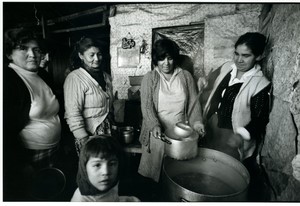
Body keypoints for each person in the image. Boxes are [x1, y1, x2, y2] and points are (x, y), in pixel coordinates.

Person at [198, 32, 272, 200]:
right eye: (236, 54)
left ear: (259, 56)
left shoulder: (260, 84)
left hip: (234, 138)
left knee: (225, 180)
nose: (239, 60)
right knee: (206, 169)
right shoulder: (227, 68)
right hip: (211, 128)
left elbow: (260, 120)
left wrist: (241, 136)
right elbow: (210, 80)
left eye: (246, 56)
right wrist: (203, 79)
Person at [3, 27, 61, 200]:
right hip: (28, 157)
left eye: (36, 49)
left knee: (52, 194)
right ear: (9, 54)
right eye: (23, 48)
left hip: (53, 150)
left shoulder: (42, 75)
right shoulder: (7, 80)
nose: (32, 54)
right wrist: (20, 163)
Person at [138, 38, 205, 183]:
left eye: (169, 58)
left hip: (180, 134)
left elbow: (194, 104)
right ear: (156, 60)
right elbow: (147, 106)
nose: (166, 63)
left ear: (175, 58)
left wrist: (198, 123)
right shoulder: (150, 78)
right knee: (155, 175)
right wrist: (154, 125)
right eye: (161, 59)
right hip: (157, 134)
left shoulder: (186, 76)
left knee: (176, 175)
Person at [64, 37, 114, 155]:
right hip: (88, 135)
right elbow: (72, 112)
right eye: (91, 55)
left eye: (99, 54)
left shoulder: (106, 77)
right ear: (81, 56)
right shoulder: (75, 78)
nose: (97, 59)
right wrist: (83, 138)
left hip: (107, 132)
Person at [71, 135, 140, 202]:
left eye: (112, 164)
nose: (106, 172)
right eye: (97, 165)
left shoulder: (111, 183)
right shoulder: (80, 200)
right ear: (84, 169)